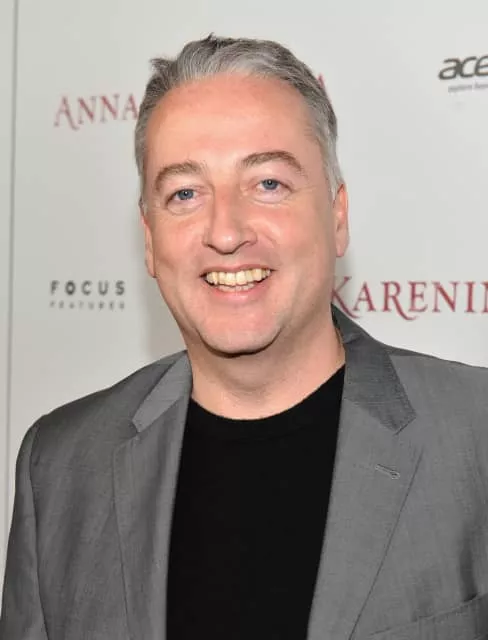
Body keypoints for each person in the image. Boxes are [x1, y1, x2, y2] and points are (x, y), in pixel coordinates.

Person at [1, 34, 487, 640]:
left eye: (268, 184)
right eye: (185, 193)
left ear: (337, 216)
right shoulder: (60, 464)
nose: (226, 232)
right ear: (149, 240)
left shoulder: (475, 436)